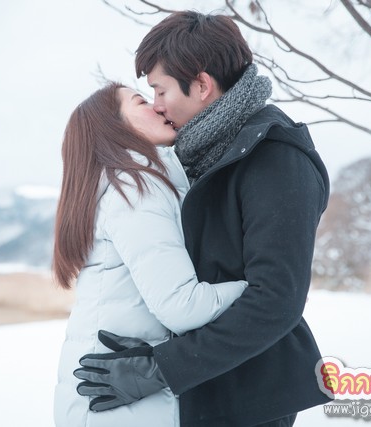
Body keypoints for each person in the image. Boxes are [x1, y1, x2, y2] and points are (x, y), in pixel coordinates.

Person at [74, 11, 332, 427]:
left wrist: (163, 368)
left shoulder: (275, 158)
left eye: (159, 90)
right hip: (202, 395)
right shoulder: (201, 154)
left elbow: (276, 300)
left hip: (249, 401)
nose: (157, 105)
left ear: (201, 85)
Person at [52, 82, 249, 427]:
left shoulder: (115, 185)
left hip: (106, 393)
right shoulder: (136, 187)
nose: (158, 106)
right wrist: (255, 288)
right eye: (141, 101)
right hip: (118, 398)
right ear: (115, 126)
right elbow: (182, 306)